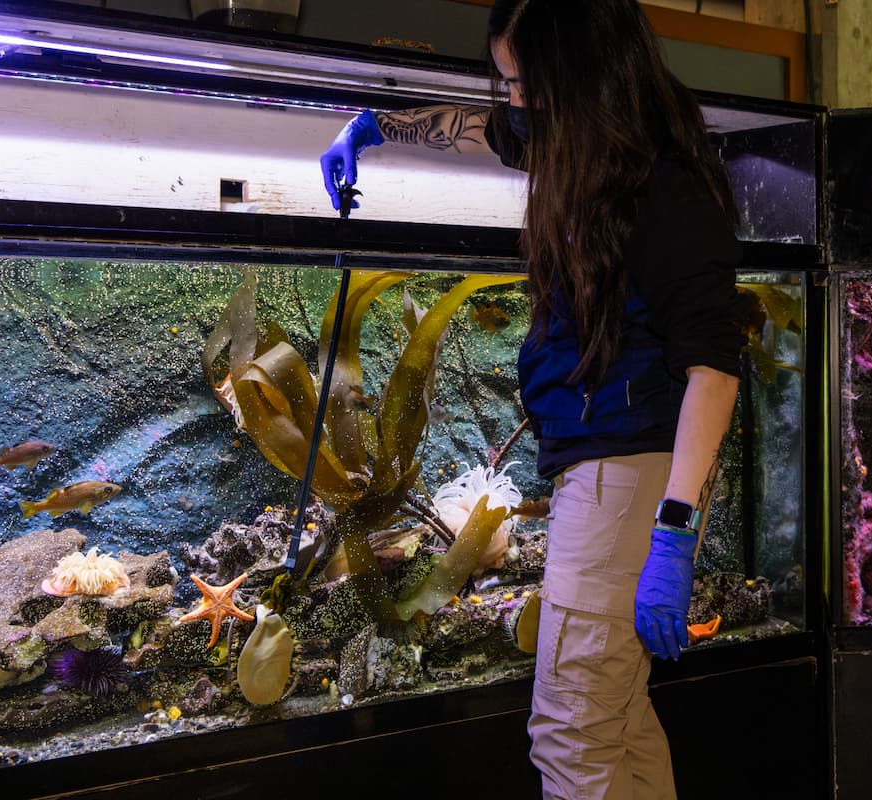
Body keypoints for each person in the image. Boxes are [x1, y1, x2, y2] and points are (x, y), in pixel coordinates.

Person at [319, 1, 742, 797]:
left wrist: (675, 539)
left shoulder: (664, 184)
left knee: (570, 735)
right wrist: (376, 124)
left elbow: (713, 371)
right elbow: (479, 128)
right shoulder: (573, 138)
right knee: (616, 722)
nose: (514, 101)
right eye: (507, 81)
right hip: (609, 470)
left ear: (580, 75)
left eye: (528, 84)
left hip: (631, 474)